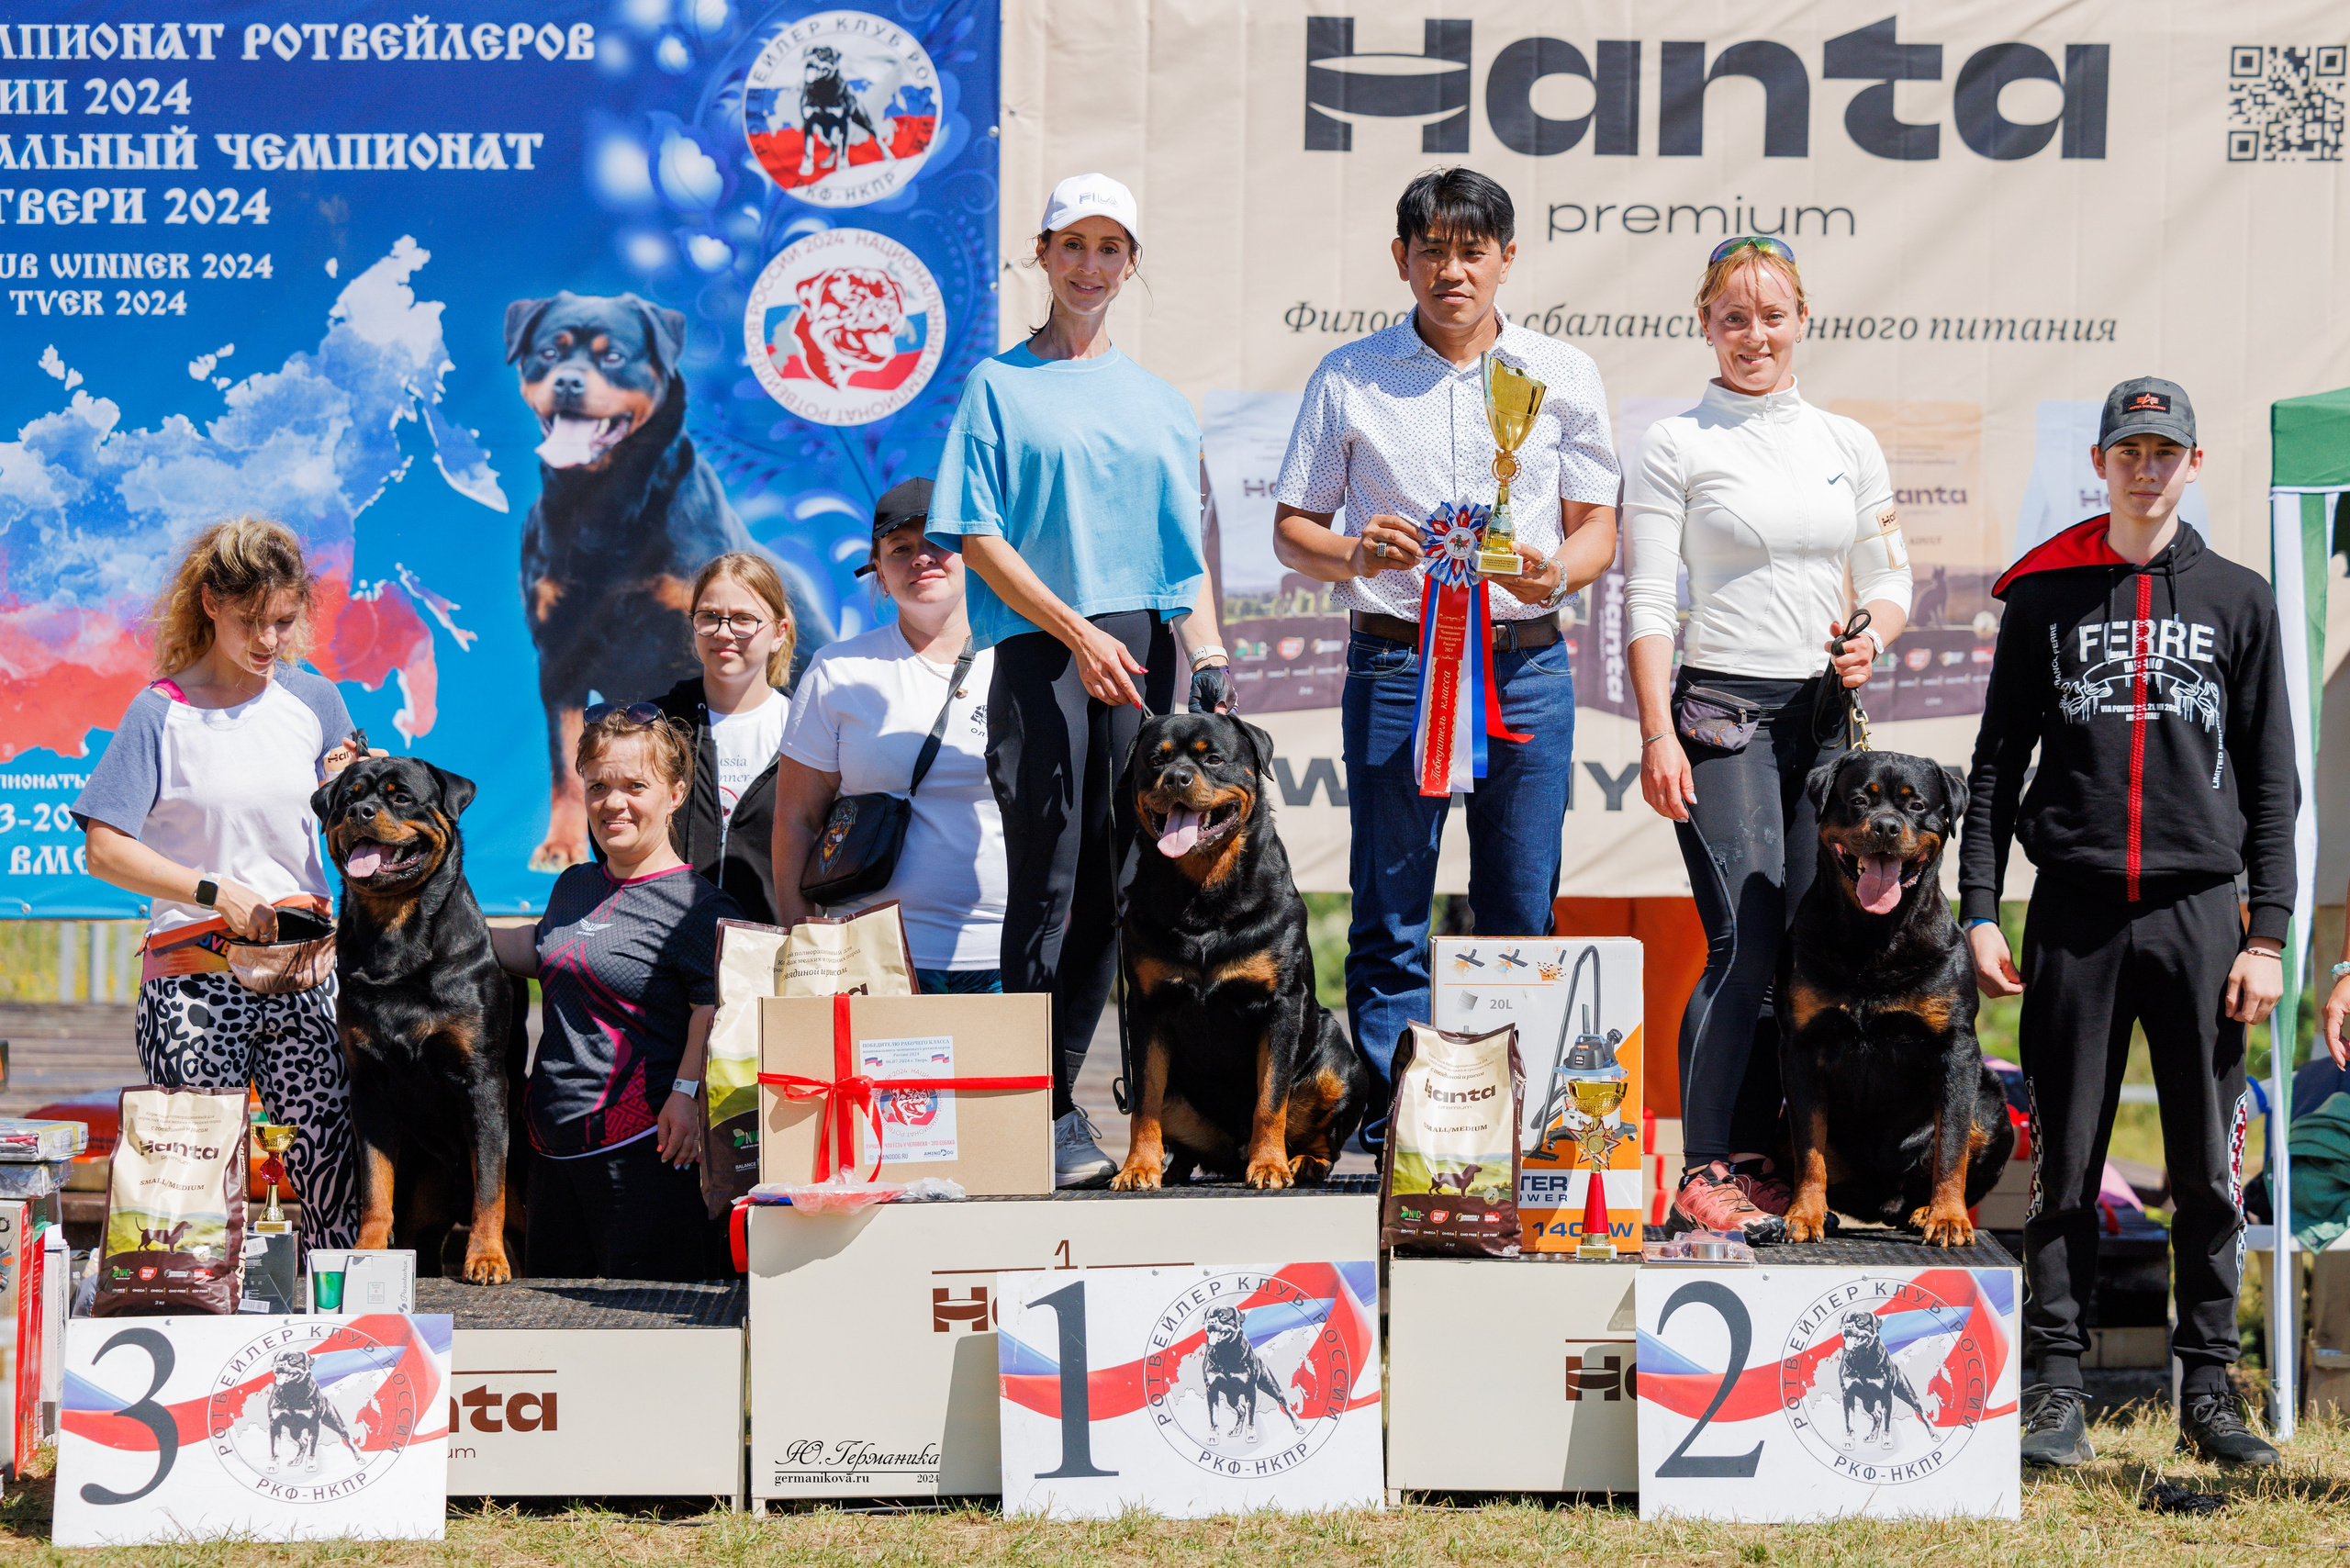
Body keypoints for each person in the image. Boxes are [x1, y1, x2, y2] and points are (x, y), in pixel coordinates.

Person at [1962, 377, 2292, 1469]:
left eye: (2165, 450)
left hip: (2203, 912)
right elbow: (1996, 767)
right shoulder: (2048, 600)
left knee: (2205, 1166)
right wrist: (1977, 908)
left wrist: (2268, 934)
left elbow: (2272, 781)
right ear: (2099, 464)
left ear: (2194, 464)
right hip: (2076, 909)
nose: (2145, 468)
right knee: (2065, 1160)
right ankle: (2052, 1387)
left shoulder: (2238, 599)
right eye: (2127, 450)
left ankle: (2208, 1389)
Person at [1271, 167, 1618, 1150]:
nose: (1451, 270)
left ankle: (1516, 1116)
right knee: (1389, 908)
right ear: (1401, 260)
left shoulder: (1562, 372)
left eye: (1473, 251)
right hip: (1394, 665)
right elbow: (1293, 528)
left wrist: (1557, 576)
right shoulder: (1348, 374)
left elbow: (1596, 525)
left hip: (1527, 667)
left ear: (1507, 260)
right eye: (1431, 250)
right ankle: (1402, 1117)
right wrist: (1352, 552)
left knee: (1520, 904)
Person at [929, 173, 1235, 1187]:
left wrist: (1214, 655)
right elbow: (975, 533)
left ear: (1131, 264)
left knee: (1119, 886)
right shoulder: (997, 387)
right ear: (1042, 255)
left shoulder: (1158, 403)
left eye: (1112, 249)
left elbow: (1175, 562)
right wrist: (1071, 632)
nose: (1092, 267)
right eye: (1074, 246)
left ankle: (1077, 1100)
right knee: (1048, 882)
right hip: (1040, 651)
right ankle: (1033, 1109)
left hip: (1138, 649)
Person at [1622, 236, 1911, 1242]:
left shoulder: (1846, 441)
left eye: (1772, 313)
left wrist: (1871, 630)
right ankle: (1699, 1167)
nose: (1754, 334)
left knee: (1803, 949)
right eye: (1732, 315)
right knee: (1739, 939)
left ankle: (1767, 1159)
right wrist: (1658, 731)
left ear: (1801, 320)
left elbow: (1888, 575)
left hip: (1822, 721)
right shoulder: (1674, 443)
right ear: (1704, 323)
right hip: (1718, 712)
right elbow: (1651, 597)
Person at [72, 517, 373, 1256]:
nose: (270, 642)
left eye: (283, 621)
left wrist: (358, 790)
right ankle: (194, 1334)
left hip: (305, 975)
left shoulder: (316, 703)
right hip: (192, 979)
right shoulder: (159, 714)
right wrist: (215, 891)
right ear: (211, 602)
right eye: (251, 622)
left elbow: (353, 836)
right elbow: (103, 851)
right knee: (192, 1186)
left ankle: (333, 1329)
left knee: (330, 1167)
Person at [491, 707, 735, 1280]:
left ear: (676, 794)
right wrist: (447, 929)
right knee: (552, 1331)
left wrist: (685, 1091)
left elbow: (715, 1004)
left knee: (641, 1333)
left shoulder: (699, 907)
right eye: (598, 786)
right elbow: (545, 948)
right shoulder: (575, 885)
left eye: (634, 786)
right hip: (550, 1152)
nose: (612, 802)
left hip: (644, 1153)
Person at [772, 478, 1007, 992]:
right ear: (878, 571)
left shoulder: (1021, 666)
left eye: (939, 543)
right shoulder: (837, 669)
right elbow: (795, 818)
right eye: (900, 549)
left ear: (974, 556)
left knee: (1002, 1080)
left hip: (1004, 954)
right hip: (873, 957)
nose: (921, 558)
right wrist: (802, 938)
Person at [648, 552, 797, 924]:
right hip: (665, 952)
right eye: (710, 617)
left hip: (774, 954)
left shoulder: (807, 730)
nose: (724, 632)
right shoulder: (654, 727)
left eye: (744, 619)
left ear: (779, 633)